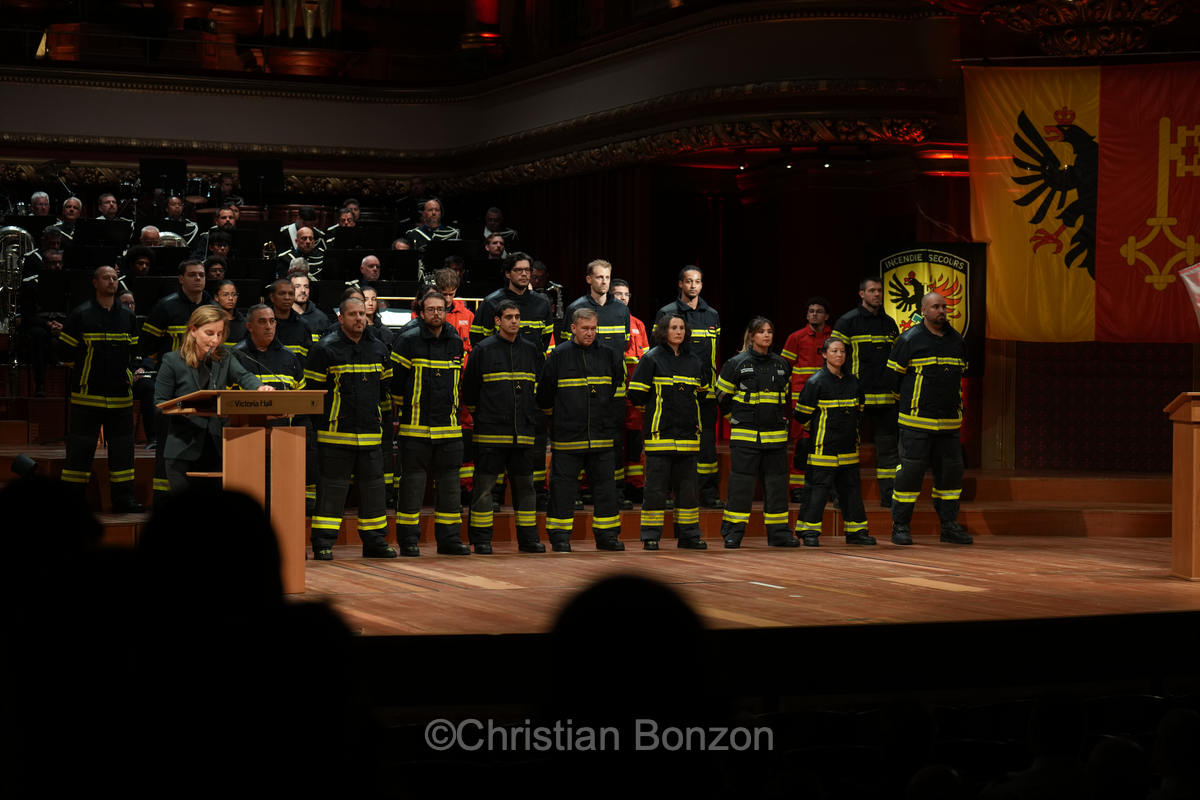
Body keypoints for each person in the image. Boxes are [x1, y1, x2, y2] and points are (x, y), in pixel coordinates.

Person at [305, 296, 397, 560]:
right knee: (331, 493)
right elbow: (313, 394)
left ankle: (375, 542)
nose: (359, 318)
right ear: (341, 318)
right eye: (353, 314)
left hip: (370, 435)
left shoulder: (379, 348)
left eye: (362, 314)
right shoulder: (325, 349)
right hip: (335, 434)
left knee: (374, 492)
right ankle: (323, 543)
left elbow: (385, 391)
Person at [154, 305, 273, 493]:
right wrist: (187, 406)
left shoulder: (224, 356)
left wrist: (260, 387)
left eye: (219, 334)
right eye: (209, 333)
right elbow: (159, 405)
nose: (215, 340)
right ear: (193, 330)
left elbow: (242, 376)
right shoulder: (172, 361)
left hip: (217, 448)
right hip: (183, 449)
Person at [536, 308, 627, 553]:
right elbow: (544, 396)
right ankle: (559, 537)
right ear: (573, 329)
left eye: (593, 328)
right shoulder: (558, 356)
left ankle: (607, 536)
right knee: (562, 490)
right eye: (585, 328)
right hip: (568, 437)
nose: (590, 333)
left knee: (607, 489)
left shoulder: (609, 355)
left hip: (601, 436)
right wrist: (561, 417)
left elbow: (615, 389)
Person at [55, 265, 144, 512]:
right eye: (106, 278)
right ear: (95, 283)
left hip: (120, 398)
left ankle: (123, 500)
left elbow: (135, 353)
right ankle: (70, 503)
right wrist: (86, 371)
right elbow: (64, 352)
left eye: (115, 278)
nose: (112, 282)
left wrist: (129, 372)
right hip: (87, 396)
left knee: (124, 453)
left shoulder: (128, 316)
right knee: (79, 453)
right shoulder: (80, 314)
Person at [460, 300, 546, 554]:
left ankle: (529, 539)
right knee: (484, 489)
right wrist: (487, 416)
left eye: (518, 316)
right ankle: (482, 539)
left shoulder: (532, 350)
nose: (515, 321)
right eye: (509, 317)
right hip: (490, 433)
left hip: (523, 434)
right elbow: (469, 392)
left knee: (526, 489)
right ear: (497, 321)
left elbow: (539, 389)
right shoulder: (483, 350)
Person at [472, 252, 554, 509]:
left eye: (527, 270)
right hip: (497, 393)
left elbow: (546, 347)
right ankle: (495, 495)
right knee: (495, 450)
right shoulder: (490, 303)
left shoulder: (542, 304)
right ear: (507, 273)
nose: (524, 274)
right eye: (518, 270)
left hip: (532, 388)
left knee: (535, 447)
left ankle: (539, 495)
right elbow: (478, 346)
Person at [887, 291, 970, 545]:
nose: (941, 311)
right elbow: (893, 382)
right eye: (935, 307)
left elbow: (961, 376)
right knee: (909, 477)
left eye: (944, 307)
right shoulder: (908, 339)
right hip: (915, 425)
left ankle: (949, 526)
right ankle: (900, 525)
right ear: (923, 311)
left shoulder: (957, 341)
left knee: (950, 480)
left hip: (949, 425)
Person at [390, 291, 469, 556]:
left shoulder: (456, 342)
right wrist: (411, 409)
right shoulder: (407, 341)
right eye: (431, 310)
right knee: (412, 487)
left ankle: (449, 540)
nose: (436, 314)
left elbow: (457, 385)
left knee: (449, 488)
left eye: (440, 309)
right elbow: (396, 387)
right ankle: (408, 541)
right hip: (415, 429)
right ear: (421, 313)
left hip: (449, 429)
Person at [715, 316, 797, 548]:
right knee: (740, 488)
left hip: (776, 440)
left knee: (777, 488)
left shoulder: (782, 364)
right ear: (751, 336)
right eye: (761, 332)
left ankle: (779, 534)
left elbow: (784, 401)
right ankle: (733, 533)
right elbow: (721, 397)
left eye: (770, 331)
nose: (767, 335)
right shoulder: (736, 363)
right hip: (746, 439)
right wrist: (736, 421)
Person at [627, 312, 706, 550]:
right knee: (655, 490)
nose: (679, 332)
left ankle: (689, 535)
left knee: (688, 491)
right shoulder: (651, 359)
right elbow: (636, 396)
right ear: (664, 331)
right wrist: (656, 415)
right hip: (660, 436)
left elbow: (701, 396)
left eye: (682, 328)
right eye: (674, 328)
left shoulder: (695, 361)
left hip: (688, 438)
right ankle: (651, 535)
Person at [139, 258, 212, 505]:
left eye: (201, 275)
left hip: (206, 389)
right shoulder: (165, 308)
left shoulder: (213, 306)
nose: (198, 279)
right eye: (192, 275)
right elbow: (147, 345)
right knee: (167, 449)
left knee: (203, 448)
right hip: (174, 390)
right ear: (181, 279)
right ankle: (163, 504)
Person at [561, 259, 633, 509]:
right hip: (580, 390)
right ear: (589, 280)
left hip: (613, 389)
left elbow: (622, 347)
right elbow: (565, 350)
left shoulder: (622, 311)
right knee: (580, 440)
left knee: (613, 441)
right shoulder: (575, 308)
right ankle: (580, 491)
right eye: (600, 277)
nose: (604, 282)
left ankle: (613, 490)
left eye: (608, 277)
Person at [793, 337, 873, 547]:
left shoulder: (854, 382)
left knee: (851, 490)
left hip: (848, 448)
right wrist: (820, 431)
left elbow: (860, 413)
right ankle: (808, 532)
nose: (839, 355)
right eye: (835, 351)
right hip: (823, 448)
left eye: (843, 351)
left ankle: (857, 532)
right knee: (816, 490)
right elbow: (801, 416)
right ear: (824, 354)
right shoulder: (815, 382)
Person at [656, 266, 722, 507]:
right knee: (672, 445)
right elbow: (659, 353)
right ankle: (666, 493)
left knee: (707, 448)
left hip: (705, 393)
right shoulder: (667, 312)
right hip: (675, 393)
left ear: (702, 285)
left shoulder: (712, 315)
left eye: (697, 282)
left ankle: (708, 493)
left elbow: (713, 354)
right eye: (688, 281)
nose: (693, 285)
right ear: (680, 284)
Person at [833, 276, 900, 508]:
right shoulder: (846, 322)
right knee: (848, 448)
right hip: (854, 398)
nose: (877, 295)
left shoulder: (890, 323)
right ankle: (844, 494)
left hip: (886, 399)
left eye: (880, 291)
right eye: (872, 291)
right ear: (861, 294)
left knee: (889, 451)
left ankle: (889, 495)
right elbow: (834, 359)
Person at [781, 296, 832, 503]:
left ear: (826, 316)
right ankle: (797, 487)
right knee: (802, 446)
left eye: (819, 311)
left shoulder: (834, 338)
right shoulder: (796, 337)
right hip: (801, 402)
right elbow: (785, 369)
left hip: (828, 401)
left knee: (826, 447)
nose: (814, 314)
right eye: (811, 311)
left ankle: (823, 487)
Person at [611, 278, 649, 503]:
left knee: (635, 442)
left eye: (626, 294)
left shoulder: (639, 324)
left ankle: (634, 485)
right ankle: (613, 487)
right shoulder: (604, 321)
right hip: (612, 395)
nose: (623, 298)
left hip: (634, 396)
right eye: (618, 294)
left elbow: (645, 360)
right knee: (614, 442)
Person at [288, 270, 330, 337]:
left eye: (306, 286)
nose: (303, 290)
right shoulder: (281, 316)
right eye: (297, 286)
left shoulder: (321, 319)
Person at [530, 260, 565, 326]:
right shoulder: (522, 289)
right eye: (534, 277)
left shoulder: (554, 290)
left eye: (540, 278)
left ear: (546, 277)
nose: (537, 281)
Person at [213, 279, 246, 345]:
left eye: (234, 294)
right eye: (225, 295)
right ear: (216, 297)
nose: (230, 298)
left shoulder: (245, 323)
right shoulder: (211, 321)